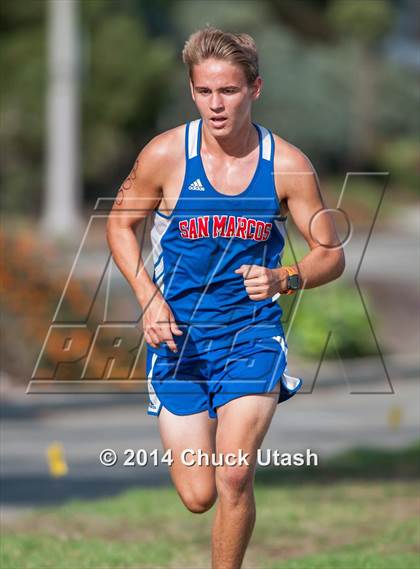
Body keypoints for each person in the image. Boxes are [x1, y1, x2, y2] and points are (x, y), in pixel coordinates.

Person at [107, 26, 344, 569]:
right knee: (199, 494)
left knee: (234, 472)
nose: (217, 104)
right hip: (178, 340)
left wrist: (285, 278)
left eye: (230, 91)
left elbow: (330, 254)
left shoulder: (287, 165)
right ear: (193, 91)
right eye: (205, 91)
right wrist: (147, 296)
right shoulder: (166, 154)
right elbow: (120, 227)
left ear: (254, 89)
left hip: (251, 337)